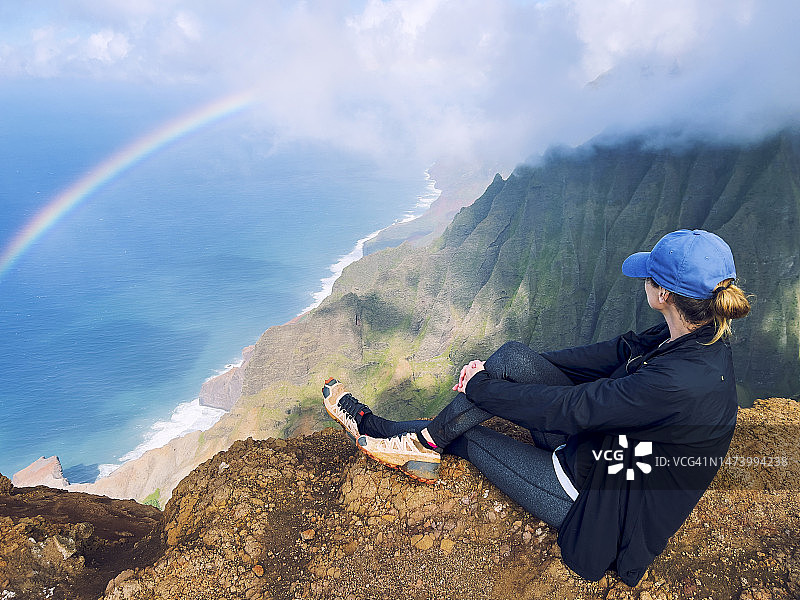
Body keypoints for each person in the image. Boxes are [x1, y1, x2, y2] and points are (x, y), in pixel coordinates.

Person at [321, 229, 750, 585]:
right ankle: (420, 441)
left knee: (470, 436)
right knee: (511, 357)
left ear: (664, 293)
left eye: (648, 277)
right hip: (597, 444)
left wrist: (482, 388)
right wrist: (507, 373)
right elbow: (614, 352)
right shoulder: (691, 335)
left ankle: (382, 431)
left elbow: (574, 408)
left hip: (595, 498)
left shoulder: (680, 381)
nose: (643, 283)